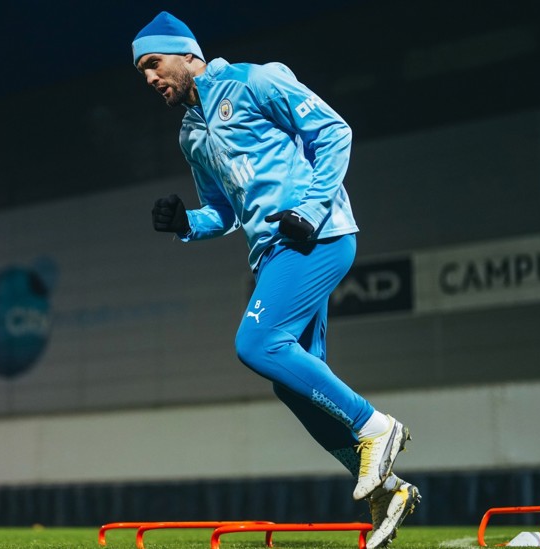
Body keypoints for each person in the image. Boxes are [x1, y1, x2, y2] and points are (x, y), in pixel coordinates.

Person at [133, 12, 419, 548]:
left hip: (316, 236)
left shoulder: (254, 81)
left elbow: (335, 131)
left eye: (154, 63)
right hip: (271, 254)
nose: (149, 77)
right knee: (291, 384)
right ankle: (387, 487)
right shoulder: (191, 134)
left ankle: (375, 427)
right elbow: (222, 211)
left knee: (258, 342)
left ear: (186, 53)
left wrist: (311, 209)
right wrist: (186, 223)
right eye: (141, 71)